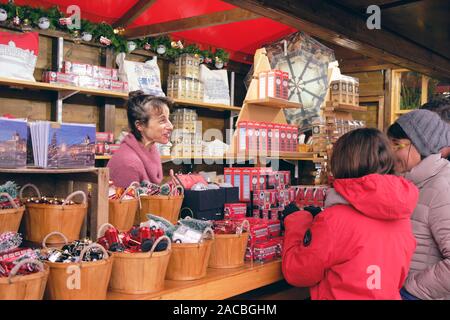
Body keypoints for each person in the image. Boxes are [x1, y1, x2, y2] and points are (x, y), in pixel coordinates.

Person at [282, 128, 418, 300]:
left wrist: (297, 222)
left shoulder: (334, 220)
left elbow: (298, 272)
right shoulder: (401, 218)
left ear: (342, 162)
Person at [387, 109, 450, 300]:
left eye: (397, 145)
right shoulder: (408, 182)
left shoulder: (441, 188)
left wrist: (409, 291)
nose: (391, 152)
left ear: (421, 146)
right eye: (389, 145)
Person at [107, 91, 174, 188]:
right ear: (140, 125)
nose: (171, 126)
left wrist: (169, 188)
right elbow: (128, 202)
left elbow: (147, 195)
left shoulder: (150, 149)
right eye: (162, 120)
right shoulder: (128, 164)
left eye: (168, 119)